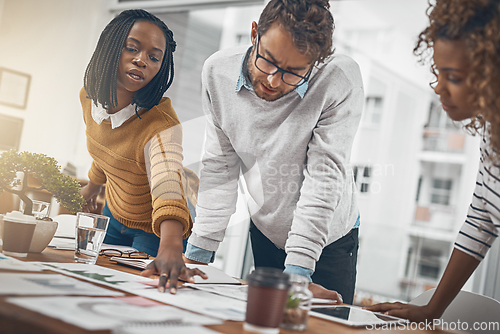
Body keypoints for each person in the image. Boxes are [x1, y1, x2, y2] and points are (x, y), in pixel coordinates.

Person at [184, 0, 364, 304]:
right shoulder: (217, 72)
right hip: (267, 227)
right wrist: (197, 256)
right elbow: (221, 167)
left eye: (293, 72)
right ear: (254, 33)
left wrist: (297, 273)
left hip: (328, 240)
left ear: (316, 62)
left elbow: (323, 180)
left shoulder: (339, 80)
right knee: (264, 320)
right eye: (267, 60)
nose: (272, 80)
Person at [366, 0, 500, 321]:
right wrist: (432, 310)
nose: (439, 88)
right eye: (439, 72)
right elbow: (482, 218)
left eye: (453, 77)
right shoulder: (493, 133)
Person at [79, 9, 205, 294]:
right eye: (132, 48)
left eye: (154, 57)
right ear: (110, 47)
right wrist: (92, 187)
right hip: (115, 210)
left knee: (136, 295)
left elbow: (167, 180)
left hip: (159, 228)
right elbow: (106, 148)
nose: (141, 60)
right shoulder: (88, 97)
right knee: (94, 285)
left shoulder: (160, 124)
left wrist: (171, 245)